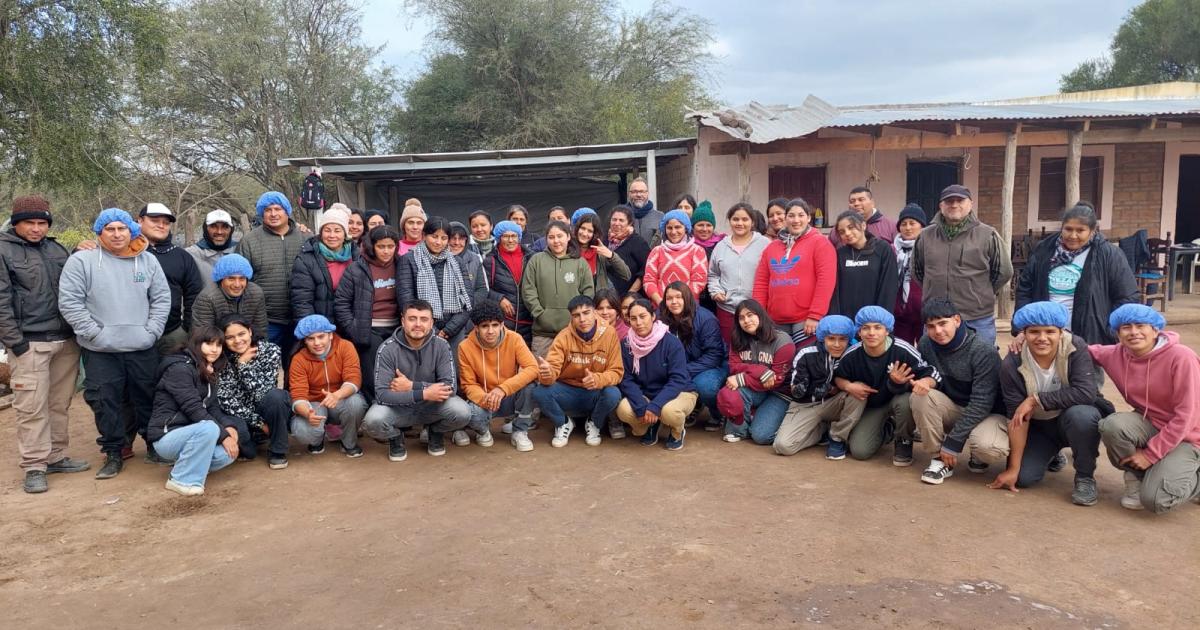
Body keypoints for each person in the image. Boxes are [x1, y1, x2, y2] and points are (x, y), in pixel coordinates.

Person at [59, 208, 170, 479]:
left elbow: (161, 299)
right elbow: (70, 302)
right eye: (110, 229)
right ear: (100, 232)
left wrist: (152, 331)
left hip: (142, 345)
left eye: (122, 229)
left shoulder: (148, 261)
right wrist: (94, 333)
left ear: (132, 230)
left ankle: (154, 445)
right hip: (100, 349)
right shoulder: (82, 261)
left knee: (148, 397)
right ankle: (113, 452)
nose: (117, 234)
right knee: (105, 401)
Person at [0, 195, 88, 493]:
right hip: (29, 343)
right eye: (29, 223)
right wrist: (16, 342)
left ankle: (56, 456)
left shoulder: (55, 249)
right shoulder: (3, 250)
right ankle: (34, 465)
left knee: (59, 404)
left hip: (65, 340)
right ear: (16, 223)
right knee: (31, 407)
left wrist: (78, 252)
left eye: (42, 223)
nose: (36, 228)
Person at [990, 302, 1103, 505]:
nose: (1042, 338)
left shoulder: (1076, 347)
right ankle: (1052, 453)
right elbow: (1018, 417)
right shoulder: (1012, 363)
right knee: (1023, 478)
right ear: (1024, 333)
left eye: (1050, 331)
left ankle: (1085, 477)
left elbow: (1086, 392)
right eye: (1034, 332)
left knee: (1083, 416)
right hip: (1040, 427)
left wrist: (1036, 399)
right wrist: (1013, 469)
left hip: (1071, 419)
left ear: (1061, 332)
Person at [1091, 304, 1200, 513]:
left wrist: (1150, 454)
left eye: (1141, 326)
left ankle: (1194, 476)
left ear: (1155, 330)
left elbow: (1187, 416)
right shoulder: (1116, 354)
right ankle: (1138, 478)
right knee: (1112, 426)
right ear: (1118, 334)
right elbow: (1081, 348)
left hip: (1190, 435)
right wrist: (1029, 334)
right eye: (1126, 327)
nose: (1134, 332)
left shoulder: (1181, 357)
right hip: (1151, 423)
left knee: (1156, 500)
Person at [912, 298, 1010, 485]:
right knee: (920, 396)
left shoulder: (983, 350)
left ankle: (976, 452)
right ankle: (939, 460)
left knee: (987, 448)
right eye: (931, 326)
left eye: (943, 323)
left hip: (988, 413)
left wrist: (953, 442)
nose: (937, 331)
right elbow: (926, 374)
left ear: (957, 320)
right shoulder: (925, 343)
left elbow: (982, 402)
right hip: (955, 406)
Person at [362, 299, 472, 460]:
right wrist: (424, 393)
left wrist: (413, 386)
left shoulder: (441, 345)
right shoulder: (387, 349)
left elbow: (450, 387)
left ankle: (435, 431)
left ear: (431, 323)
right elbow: (381, 395)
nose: (418, 324)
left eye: (424, 319)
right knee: (373, 420)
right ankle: (395, 437)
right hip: (399, 408)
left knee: (462, 412)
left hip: (432, 406)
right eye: (412, 319)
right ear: (403, 321)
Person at [1015, 203, 1138, 346]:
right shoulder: (1044, 249)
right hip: (1045, 335)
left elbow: (1127, 297)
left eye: (1080, 230)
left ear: (1092, 231)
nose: (1073, 236)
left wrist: (1110, 330)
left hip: (1091, 336)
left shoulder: (1108, 254)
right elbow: (1025, 289)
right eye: (1068, 229)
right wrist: (1022, 327)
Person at [911, 185, 1013, 346]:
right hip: (937, 318)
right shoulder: (925, 236)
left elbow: (1003, 271)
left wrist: (979, 291)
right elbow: (917, 271)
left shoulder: (988, 234)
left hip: (976, 317)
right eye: (949, 201)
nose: (954, 204)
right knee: (934, 360)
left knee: (981, 359)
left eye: (960, 200)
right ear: (941, 206)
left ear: (970, 204)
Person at [831, 306, 933, 462]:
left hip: (899, 400)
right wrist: (848, 386)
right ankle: (889, 428)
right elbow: (838, 376)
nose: (871, 333)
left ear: (887, 330)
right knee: (859, 451)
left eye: (878, 327)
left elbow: (930, 372)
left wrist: (923, 382)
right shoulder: (852, 354)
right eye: (866, 328)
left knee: (906, 400)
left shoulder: (903, 349)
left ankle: (904, 439)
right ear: (859, 332)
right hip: (874, 406)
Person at [147, 326, 241, 496]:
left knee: (227, 454)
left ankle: (188, 465)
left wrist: (229, 427)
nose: (215, 349)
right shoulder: (179, 368)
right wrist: (223, 436)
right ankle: (181, 480)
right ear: (196, 344)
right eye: (209, 344)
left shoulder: (207, 369)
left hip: (193, 433)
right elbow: (193, 409)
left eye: (219, 345)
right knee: (209, 428)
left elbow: (212, 407)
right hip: (167, 436)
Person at [532, 295, 623, 447]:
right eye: (576, 315)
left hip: (594, 392)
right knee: (539, 392)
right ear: (571, 317)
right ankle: (563, 423)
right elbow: (553, 369)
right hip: (567, 393)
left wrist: (598, 379)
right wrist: (548, 374)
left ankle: (594, 423)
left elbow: (617, 371)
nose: (582, 319)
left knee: (613, 393)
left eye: (586, 313)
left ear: (595, 313)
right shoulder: (563, 336)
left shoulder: (609, 333)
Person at [752, 198, 836, 347]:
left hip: (806, 320)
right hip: (775, 319)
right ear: (785, 218)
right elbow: (761, 283)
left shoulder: (820, 243)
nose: (796, 220)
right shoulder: (772, 247)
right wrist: (759, 315)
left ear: (808, 218)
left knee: (803, 358)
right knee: (781, 358)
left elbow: (826, 281)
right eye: (791, 216)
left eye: (801, 215)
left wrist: (816, 315)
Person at [457, 301, 538, 451]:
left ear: (502, 325)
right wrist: (485, 398)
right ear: (476, 327)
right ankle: (482, 430)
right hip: (485, 400)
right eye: (485, 326)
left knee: (531, 387)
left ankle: (520, 431)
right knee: (471, 413)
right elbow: (468, 384)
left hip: (508, 395)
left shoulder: (515, 338)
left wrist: (503, 389)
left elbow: (532, 368)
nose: (490, 331)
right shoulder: (465, 346)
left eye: (495, 325)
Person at [617, 298, 697, 450]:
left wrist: (656, 406)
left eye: (643, 316)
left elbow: (678, 380)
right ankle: (651, 425)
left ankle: (677, 431)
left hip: (680, 392)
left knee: (669, 412)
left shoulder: (671, 342)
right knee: (624, 410)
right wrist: (641, 405)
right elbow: (626, 379)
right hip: (647, 393)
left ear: (653, 316)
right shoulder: (626, 344)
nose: (638, 323)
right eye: (633, 318)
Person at [773, 315, 857, 457]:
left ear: (849, 338)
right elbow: (794, 388)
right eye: (831, 338)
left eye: (842, 339)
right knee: (783, 446)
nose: (837, 344)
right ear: (822, 337)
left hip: (834, 403)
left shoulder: (853, 354)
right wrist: (799, 389)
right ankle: (821, 431)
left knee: (856, 393)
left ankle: (837, 437)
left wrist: (831, 389)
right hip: (806, 405)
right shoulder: (806, 353)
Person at [216, 314, 291, 469]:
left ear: (250, 331)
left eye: (241, 334)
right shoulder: (220, 357)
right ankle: (254, 437)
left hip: (264, 408)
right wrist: (259, 423)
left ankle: (277, 451)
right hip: (239, 413)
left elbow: (263, 393)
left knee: (277, 397)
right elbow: (226, 400)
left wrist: (243, 366)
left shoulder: (270, 351)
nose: (237, 340)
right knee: (248, 452)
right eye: (230, 337)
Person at [334, 226, 401, 401]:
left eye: (390, 246)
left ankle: (400, 408)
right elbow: (341, 303)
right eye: (381, 246)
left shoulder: (402, 265)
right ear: (372, 246)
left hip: (398, 328)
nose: (386, 251)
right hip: (368, 329)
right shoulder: (357, 268)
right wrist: (354, 328)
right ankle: (375, 407)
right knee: (372, 376)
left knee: (397, 372)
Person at [287, 314, 367, 458]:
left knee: (356, 402)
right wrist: (307, 413)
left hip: (340, 399)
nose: (317, 343)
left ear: (330, 335)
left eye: (321, 336)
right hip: (314, 404)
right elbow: (298, 395)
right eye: (311, 338)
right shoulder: (298, 359)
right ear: (305, 340)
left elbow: (354, 379)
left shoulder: (345, 346)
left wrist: (337, 395)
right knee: (302, 430)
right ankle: (316, 440)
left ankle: (349, 443)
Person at [717, 299, 795, 445]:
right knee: (729, 393)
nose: (746, 321)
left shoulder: (783, 341)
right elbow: (734, 366)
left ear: (760, 315)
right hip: (754, 390)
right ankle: (740, 430)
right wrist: (760, 370)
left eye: (750, 315)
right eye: (741, 318)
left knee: (761, 436)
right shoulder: (737, 339)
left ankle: (782, 421)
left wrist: (741, 379)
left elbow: (775, 380)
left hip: (779, 393)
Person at [236, 191, 306, 350]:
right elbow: (240, 280)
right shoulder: (249, 241)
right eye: (268, 210)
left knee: (297, 362)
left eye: (278, 209)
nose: (273, 214)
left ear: (287, 211)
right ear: (262, 214)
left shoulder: (304, 237)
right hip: (266, 320)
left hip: (299, 317)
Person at [397, 217, 474, 351]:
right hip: (421, 330)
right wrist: (432, 329)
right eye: (434, 236)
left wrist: (449, 330)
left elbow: (468, 301)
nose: (438, 242)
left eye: (444, 238)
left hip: (454, 332)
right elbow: (406, 299)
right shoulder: (409, 260)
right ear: (424, 235)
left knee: (453, 364)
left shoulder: (456, 262)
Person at [521, 220, 594, 357]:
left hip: (574, 331)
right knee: (543, 369)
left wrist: (579, 316)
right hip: (543, 333)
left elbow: (588, 292)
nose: (556, 241)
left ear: (568, 237)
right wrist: (540, 314)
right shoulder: (536, 260)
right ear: (546, 239)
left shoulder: (580, 262)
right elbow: (528, 290)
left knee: (574, 369)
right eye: (551, 237)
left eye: (560, 236)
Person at [659, 282, 725, 431]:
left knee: (705, 386)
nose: (674, 302)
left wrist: (683, 370)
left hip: (709, 367)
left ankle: (717, 413)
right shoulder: (661, 317)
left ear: (687, 298)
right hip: (681, 366)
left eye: (679, 297)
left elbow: (714, 355)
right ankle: (691, 406)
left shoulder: (706, 319)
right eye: (669, 298)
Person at [708, 202, 770, 344]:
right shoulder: (721, 246)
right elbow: (713, 274)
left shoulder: (765, 244)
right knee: (730, 347)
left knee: (756, 347)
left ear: (752, 222)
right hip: (727, 309)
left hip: (757, 309)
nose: (740, 223)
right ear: (730, 221)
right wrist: (715, 291)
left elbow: (772, 273)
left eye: (745, 219)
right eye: (735, 219)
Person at [291, 206, 357, 330]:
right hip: (321, 328)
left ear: (345, 233)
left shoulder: (357, 256)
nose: (332, 235)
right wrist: (313, 331)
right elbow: (302, 302)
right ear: (321, 233)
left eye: (337, 230)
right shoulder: (307, 259)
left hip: (352, 325)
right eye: (327, 230)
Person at [829, 209, 899, 318]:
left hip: (873, 320)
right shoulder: (840, 254)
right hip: (846, 319)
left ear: (863, 225)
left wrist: (881, 318)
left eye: (851, 227)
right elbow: (835, 291)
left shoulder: (882, 249)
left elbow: (888, 287)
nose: (847, 233)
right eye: (842, 232)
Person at [191, 253, 268, 340]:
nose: (237, 284)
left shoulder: (256, 293)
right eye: (231, 278)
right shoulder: (207, 298)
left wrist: (256, 347)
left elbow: (260, 329)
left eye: (242, 278)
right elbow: (202, 336)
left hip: (246, 343)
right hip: (217, 344)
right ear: (221, 279)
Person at [642, 210, 707, 306]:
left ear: (686, 228)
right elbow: (648, 280)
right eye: (669, 228)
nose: (673, 232)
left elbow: (699, 281)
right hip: (661, 306)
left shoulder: (697, 251)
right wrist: (661, 302)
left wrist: (680, 303)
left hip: (688, 306)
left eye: (678, 227)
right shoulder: (657, 251)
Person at [483, 220, 533, 343]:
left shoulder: (531, 258)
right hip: (503, 322)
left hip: (529, 322)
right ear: (499, 238)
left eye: (513, 236)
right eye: (505, 236)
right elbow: (483, 288)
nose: (510, 240)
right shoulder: (490, 261)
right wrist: (499, 298)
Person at [571, 208, 630, 292]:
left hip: (597, 299)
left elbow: (626, 275)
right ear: (577, 228)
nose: (584, 233)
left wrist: (611, 255)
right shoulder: (568, 249)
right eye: (583, 228)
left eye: (590, 231)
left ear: (595, 234)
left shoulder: (599, 253)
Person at [892, 203, 927, 345]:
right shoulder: (891, 250)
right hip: (899, 313)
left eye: (912, 223)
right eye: (903, 224)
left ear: (922, 226)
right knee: (901, 350)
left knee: (926, 350)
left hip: (924, 311)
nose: (908, 228)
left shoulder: (929, 248)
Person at [827, 186, 897, 247]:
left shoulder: (891, 226)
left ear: (872, 202)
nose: (856, 204)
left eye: (861, 200)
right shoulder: (839, 230)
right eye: (852, 201)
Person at [185, 209, 237, 287]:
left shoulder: (240, 250)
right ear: (205, 229)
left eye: (225, 227)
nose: (219, 232)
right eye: (213, 226)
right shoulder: (191, 255)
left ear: (231, 230)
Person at [607, 205, 650, 296]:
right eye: (614, 219)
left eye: (621, 220)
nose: (617, 223)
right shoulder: (604, 240)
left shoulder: (638, 242)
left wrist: (630, 294)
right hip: (607, 297)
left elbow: (645, 271)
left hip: (630, 297)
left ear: (630, 223)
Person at [448, 221, 490, 307]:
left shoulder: (475, 259)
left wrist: (467, 304)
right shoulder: (437, 258)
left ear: (466, 240)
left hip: (469, 310)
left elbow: (482, 289)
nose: (456, 242)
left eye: (461, 239)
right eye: (452, 238)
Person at [628, 177, 662, 244]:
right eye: (634, 192)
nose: (638, 195)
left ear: (647, 193)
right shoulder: (621, 217)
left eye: (642, 191)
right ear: (629, 194)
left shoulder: (660, 217)